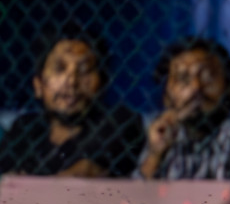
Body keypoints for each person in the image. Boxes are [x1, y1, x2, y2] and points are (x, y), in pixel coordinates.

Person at [0, 30, 143, 177]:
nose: (72, 81)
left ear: (102, 83)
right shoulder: (25, 127)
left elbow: (82, 174)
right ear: (38, 85)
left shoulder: (119, 122)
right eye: (60, 69)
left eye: (84, 70)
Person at [136, 37, 230, 180]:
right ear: (166, 96)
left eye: (207, 76)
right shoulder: (144, 132)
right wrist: (155, 156)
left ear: (229, 88)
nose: (196, 87)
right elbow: (133, 199)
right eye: (183, 78)